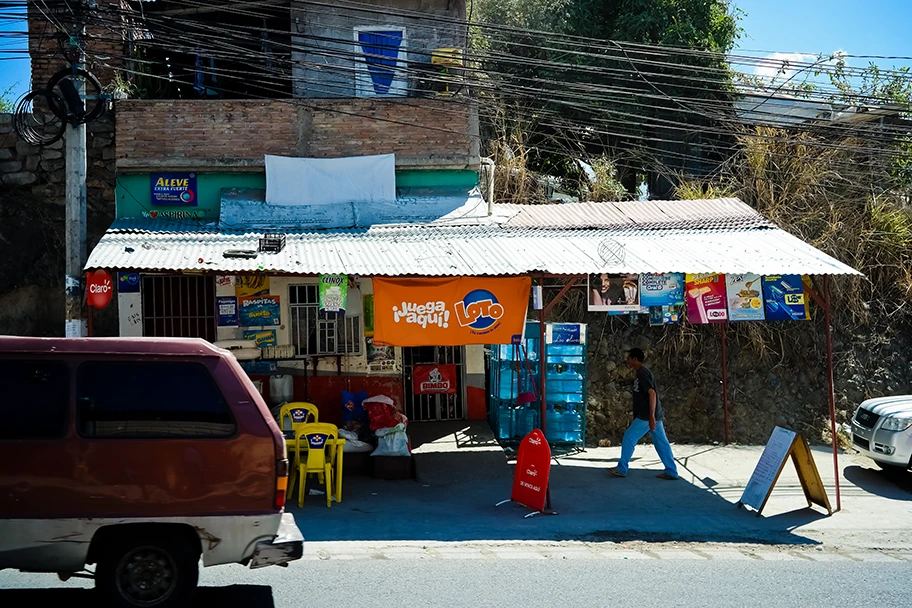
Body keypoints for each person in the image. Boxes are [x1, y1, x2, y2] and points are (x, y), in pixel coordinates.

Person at [607, 348, 679, 480]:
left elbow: (652, 393)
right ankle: (671, 471)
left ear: (635, 359)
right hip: (652, 414)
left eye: (629, 358)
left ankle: (622, 468)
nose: (627, 361)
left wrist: (651, 416)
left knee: (629, 436)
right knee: (661, 442)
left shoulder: (642, 373)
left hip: (647, 414)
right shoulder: (641, 373)